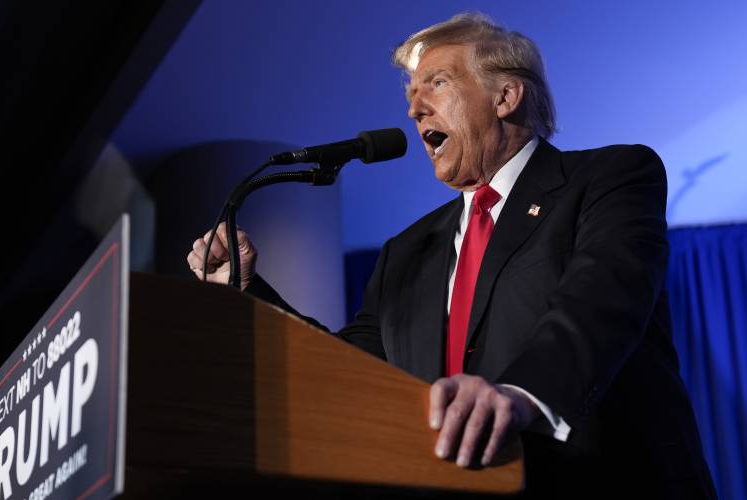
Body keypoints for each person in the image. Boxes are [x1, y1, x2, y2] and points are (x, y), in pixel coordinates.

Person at [187, 13, 715, 498]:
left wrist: (518, 393)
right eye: (411, 97)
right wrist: (244, 292)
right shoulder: (405, 253)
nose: (414, 109)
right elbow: (349, 370)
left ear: (506, 95)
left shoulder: (608, 177)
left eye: (436, 83)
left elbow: (602, 299)